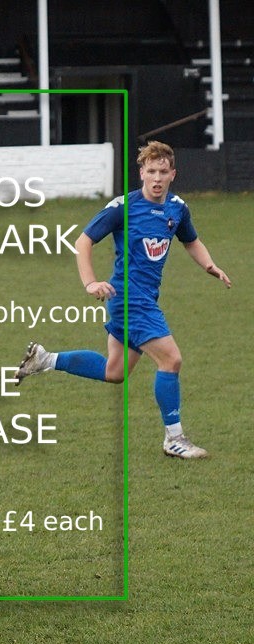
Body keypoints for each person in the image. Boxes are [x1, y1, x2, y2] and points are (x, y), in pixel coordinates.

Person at [15, 141, 231, 459]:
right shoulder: (123, 207)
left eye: (163, 172)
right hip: (129, 300)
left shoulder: (177, 208)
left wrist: (210, 265)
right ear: (141, 173)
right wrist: (90, 282)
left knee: (114, 372)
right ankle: (174, 438)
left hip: (141, 299)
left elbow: (191, 241)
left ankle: (45, 359)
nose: (157, 178)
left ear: (173, 174)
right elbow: (83, 241)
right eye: (151, 171)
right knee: (171, 360)